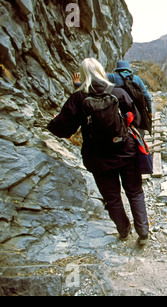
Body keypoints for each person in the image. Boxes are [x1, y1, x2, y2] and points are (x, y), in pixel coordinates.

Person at [48, 58, 149, 246]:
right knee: (135, 192)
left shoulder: (78, 98)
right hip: (126, 151)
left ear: (83, 74)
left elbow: (63, 128)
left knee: (112, 197)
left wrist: (53, 122)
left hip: (99, 158)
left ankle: (124, 230)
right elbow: (136, 117)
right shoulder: (117, 92)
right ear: (102, 71)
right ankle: (143, 232)